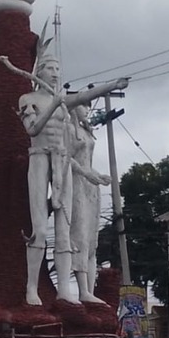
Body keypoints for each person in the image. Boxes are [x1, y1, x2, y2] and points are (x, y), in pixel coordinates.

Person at [0, 44, 127, 306]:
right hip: (39, 158)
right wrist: (53, 105)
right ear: (41, 72)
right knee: (38, 228)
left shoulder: (63, 101)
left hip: (62, 160)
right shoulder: (28, 99)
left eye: (58, 69)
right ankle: (31, 288)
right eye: (51, 69)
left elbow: (83, 97)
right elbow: (32, 130)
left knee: (64, 227)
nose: (56, 73)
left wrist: (112, 84)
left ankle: (65, 291)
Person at [67, 104, 110, 303]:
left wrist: (96, 175)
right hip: (76, 183)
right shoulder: (68, 130)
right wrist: (85, 173)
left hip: (90, 184)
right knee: (80, 237)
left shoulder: (86, 131)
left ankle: (89, 291)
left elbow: (87, 162)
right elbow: (65, 158)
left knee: (92, 241)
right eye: (83, 107)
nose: (86, 110)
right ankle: (82, 290)